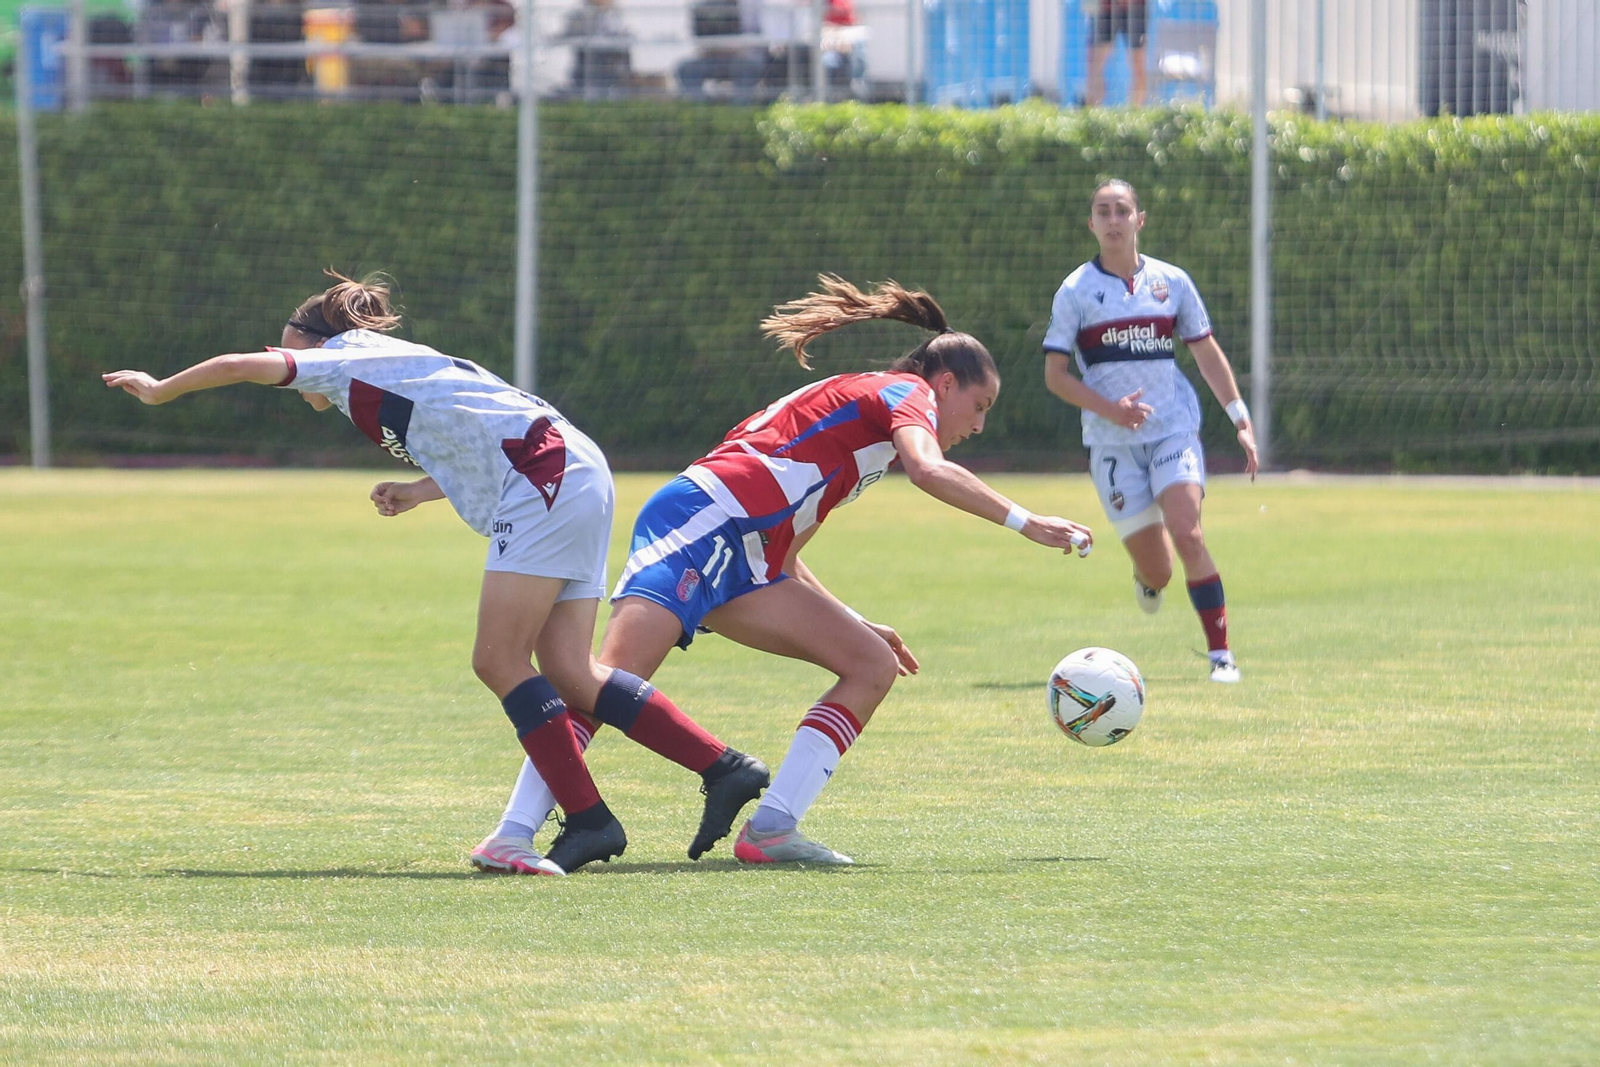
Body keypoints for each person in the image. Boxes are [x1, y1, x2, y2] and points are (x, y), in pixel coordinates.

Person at [101, 271, 769, 876]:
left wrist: (162, 390)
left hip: (547, 478)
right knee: (570, 670)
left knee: (497, 658)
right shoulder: (390, 366)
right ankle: (723, 766)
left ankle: (591, 820)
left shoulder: (340, 360)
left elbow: (240, 365)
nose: (293, 363)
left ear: (316, 339)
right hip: (572, 468)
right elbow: (473, 438)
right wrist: (419, 491)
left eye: (293, 347)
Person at [484, 275, 1096, 866]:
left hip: (749, 554)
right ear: (942, 383)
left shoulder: (865, 425)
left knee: (870, 663)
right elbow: (930, 471)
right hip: (702, 521)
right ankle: (514, 833)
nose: (980, 424)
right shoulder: (902, 394)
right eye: (978, 404)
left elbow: (785, 553)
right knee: (603, 682)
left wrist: (853, 619)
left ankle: (772, 828)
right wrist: (1027, 521)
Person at [1042, 179, 1258, 684]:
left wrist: (1240, 419)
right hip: (1112, 444)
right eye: (1103, 211)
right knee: (1159, 570)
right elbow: (1055, 376)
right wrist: (1110, 410)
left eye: (1122, 210)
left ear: (1140, 220)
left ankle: (1221, 655)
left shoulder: (1171, 283)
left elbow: (1205, 352)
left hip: (1171, 431)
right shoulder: (1076, 292)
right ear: (1091, 224)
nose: (1113, 220)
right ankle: (1148, 578)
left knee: (1188, 532)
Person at [1087, 0, 1147, 107]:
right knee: (1096, 65)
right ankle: (1093, 111)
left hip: (1135, 7)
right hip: (1105, 7)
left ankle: (1136, 112)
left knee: (1138, 64)